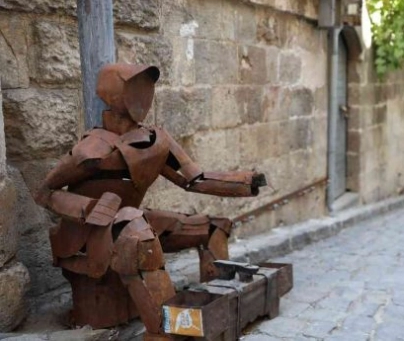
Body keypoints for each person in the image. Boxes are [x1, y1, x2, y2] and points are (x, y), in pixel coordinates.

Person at [34, 64, 266, 340]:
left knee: (214, 226)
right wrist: (89, 208)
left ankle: (215, 309)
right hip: (88, 236)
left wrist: (244, 182)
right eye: (133, 87)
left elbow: (194, 178)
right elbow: (45, 192)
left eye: (145, 87)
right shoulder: (93, 148)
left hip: (130, 223)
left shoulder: (155, 139)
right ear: (113, 93)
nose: (142, 95)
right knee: (137, 231)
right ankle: (166, 332)